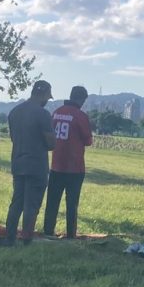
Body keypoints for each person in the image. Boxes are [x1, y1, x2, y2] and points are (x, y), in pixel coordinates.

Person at [0, 79, 55, 246]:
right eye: (47, 97)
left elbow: (14, 138)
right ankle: (27, 239)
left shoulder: (14, 112)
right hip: (37, 165)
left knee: (16, 203)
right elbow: (51, 143)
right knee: (32, 205)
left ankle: (10, 237)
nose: (46, 101)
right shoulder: (43, 114)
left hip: (18, 162)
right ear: (43, 94)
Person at [43, 85, 94, 239]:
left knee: (52, 201)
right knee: (72, 203)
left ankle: (48, 231)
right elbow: (88, 141)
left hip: (56, 164)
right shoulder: (80, 116)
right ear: (82, 99)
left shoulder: (56, 112)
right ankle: (71, 234)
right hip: (75, 167)